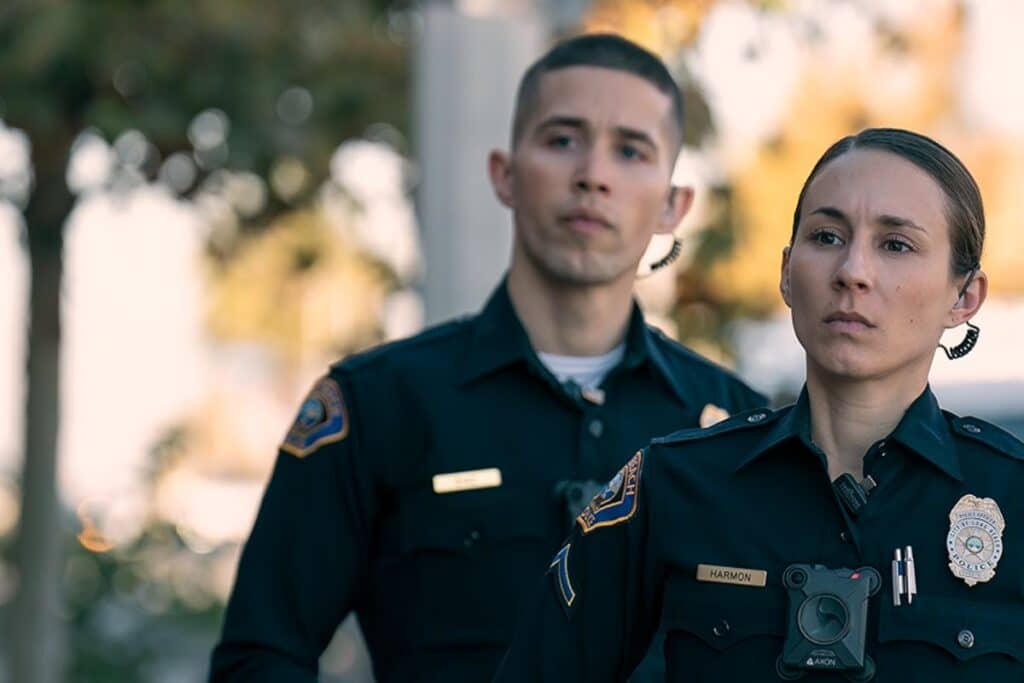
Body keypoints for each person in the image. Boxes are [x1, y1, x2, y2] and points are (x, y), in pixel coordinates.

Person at [209, 33, 766, 683]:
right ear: (504, 174)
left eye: (631, 150)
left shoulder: (736, 432)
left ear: (673, 204)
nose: (593, 174)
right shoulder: (378, 405)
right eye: (563, 139)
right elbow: (261, 656)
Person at [493, 127, 1024, 682]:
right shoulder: (673, 486)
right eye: (827, 237)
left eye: (896, 245)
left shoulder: (1012, 497)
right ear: (787, 273)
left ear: (964, 296)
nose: (852, 272)